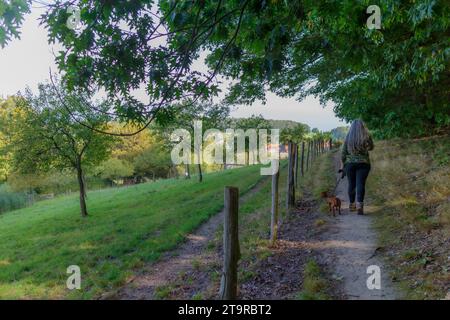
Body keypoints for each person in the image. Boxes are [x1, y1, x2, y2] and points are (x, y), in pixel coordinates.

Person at [340, 119, 374, 215]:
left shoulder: (348, 137)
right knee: (360, 184)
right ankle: (360, 205)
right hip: (364, 163)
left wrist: (343, 165)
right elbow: (371, 148)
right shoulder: (366, 136)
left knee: (351, 184)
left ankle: (352, 205)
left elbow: (343, 154)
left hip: (350, 164)